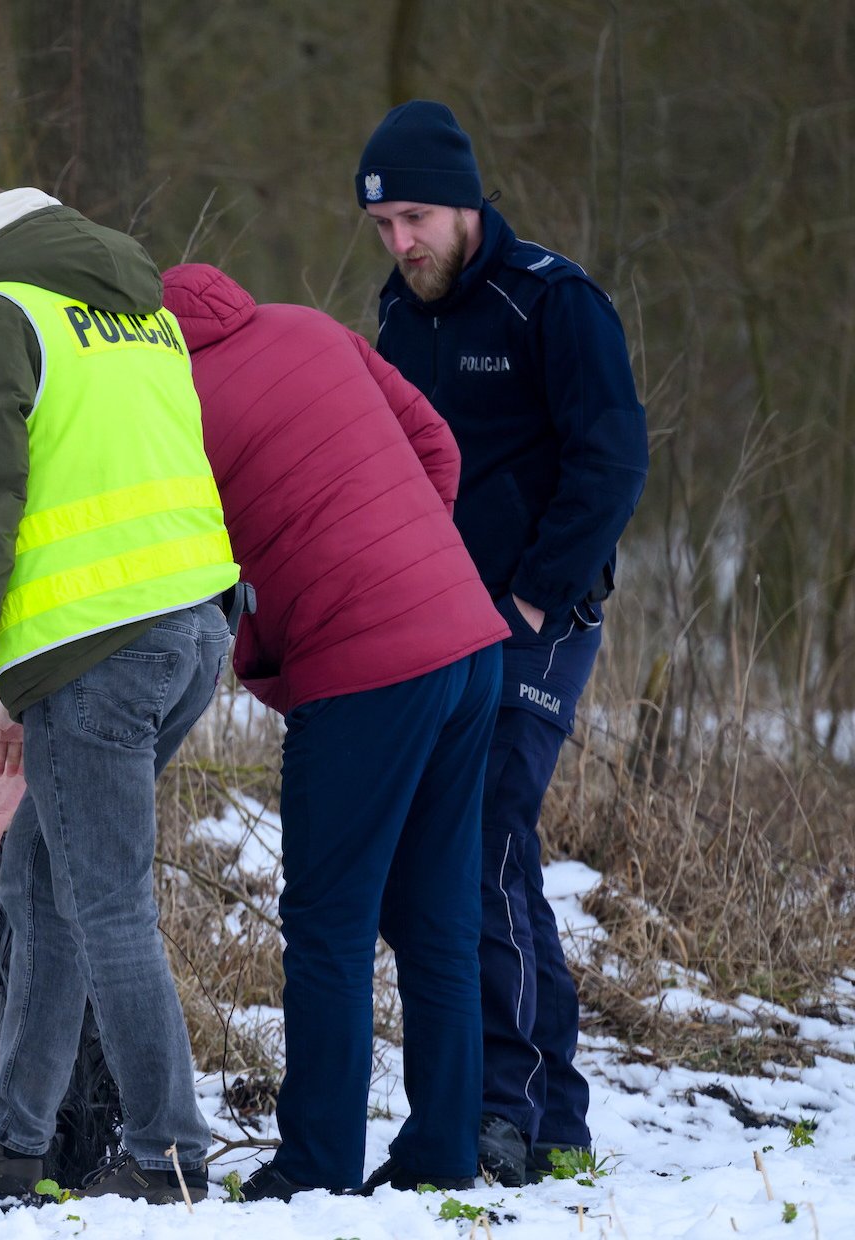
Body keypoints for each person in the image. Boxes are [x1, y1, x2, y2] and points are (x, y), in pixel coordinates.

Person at [0, 179, 241, 1206]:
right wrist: (17, 690)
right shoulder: (131, 307)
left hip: (102, 651)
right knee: (39, 875)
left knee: (102, 897)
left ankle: (168, 1151)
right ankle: (9, 1129)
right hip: (192, 626)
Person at [157, 262, 509, 1198]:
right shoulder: (311, 326)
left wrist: (295, 634)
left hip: (366, 672)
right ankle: (441, 1155)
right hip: (470, 644)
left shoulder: (169, 404)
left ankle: (314, 1167)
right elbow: (439, 446)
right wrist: (410, 560)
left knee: (329, 924)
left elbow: (194, 585)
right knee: (437, 920)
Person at [355, 100, 649, 1185]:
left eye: (416, 220)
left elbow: (611, 461)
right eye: (382, 228)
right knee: (428, 850)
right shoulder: (398, 312)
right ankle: (491, 1105)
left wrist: (533, 594)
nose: (400, 245)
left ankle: (523, 1114)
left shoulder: (550, 301)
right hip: (425, 623)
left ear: (466, 198)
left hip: (533, 623)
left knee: (481, 835)